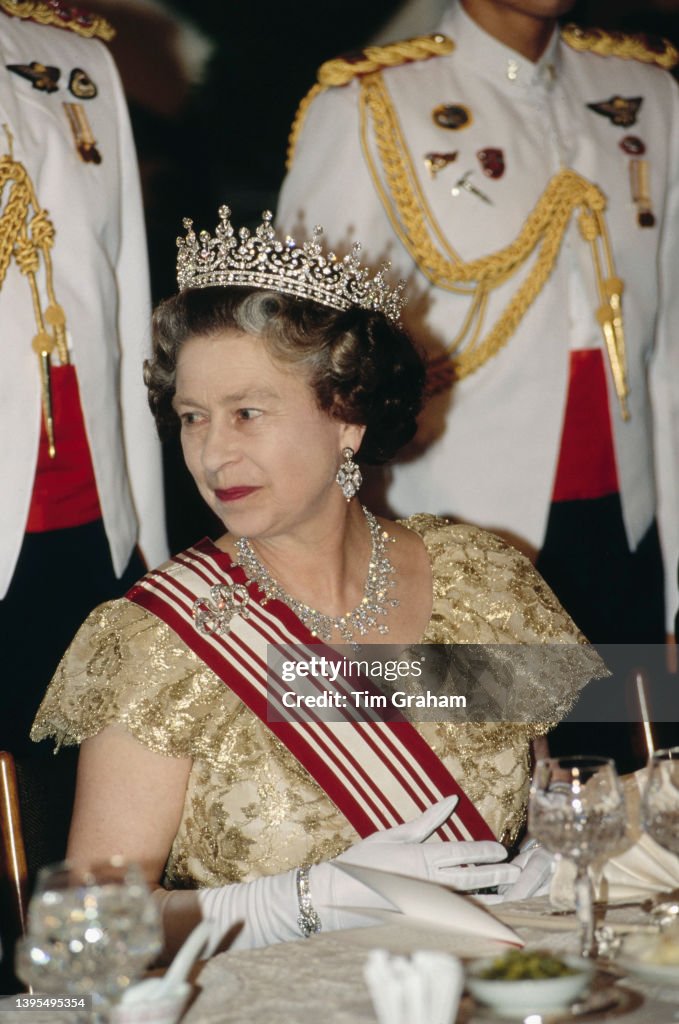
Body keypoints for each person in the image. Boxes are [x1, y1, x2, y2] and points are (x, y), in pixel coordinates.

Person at [33, 206, 604, 956]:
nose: (212, 455)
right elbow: (89, 930)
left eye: (248, 413)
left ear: (347, 420)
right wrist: (293, 904)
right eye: (194, 417)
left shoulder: (480, 580)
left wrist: (554, 863)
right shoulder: (160, 639)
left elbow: (541, 800)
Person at [276, 0, 679, 656]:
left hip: (629, 519)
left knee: (625, 746)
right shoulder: (373, 100)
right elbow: (306, 353)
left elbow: (668, 348)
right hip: (449, 517)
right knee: (487, 749)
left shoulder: (645, 92)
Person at [0, 1, 168, 755]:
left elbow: (124, 293)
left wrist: (147, 535)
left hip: (85, 515)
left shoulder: (74, 58)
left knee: (77, 802)